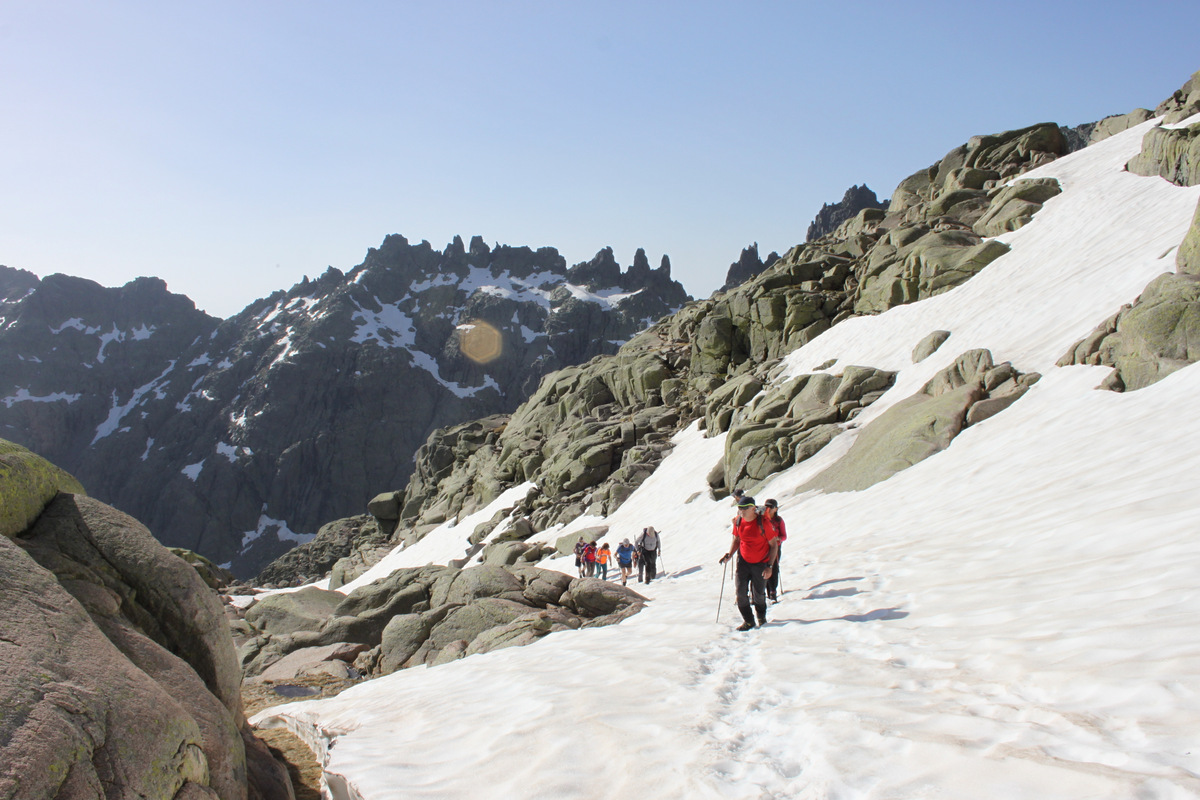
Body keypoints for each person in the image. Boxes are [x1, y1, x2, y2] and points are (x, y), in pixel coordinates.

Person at [719, 496, 779, 631]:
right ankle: (749, 621)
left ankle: (761, 618)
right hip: (743, 561)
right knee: (740, 593)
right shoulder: (739, 522)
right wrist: (729, 554)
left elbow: (774, 545)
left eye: (745, 508)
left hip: (761, 563)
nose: (742, 511)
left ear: (753, 508)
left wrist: (770, 566)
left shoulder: (764, 523)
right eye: (740, 508)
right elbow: (737, 539)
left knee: (758, 594)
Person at [762, 499, 787, 602]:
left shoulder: (779, 520)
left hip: (775, 546)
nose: (768, 509)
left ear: (776, 509)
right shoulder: (762, 519)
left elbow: (784, 536)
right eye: (766, 506)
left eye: (771, 507)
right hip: (764, 546)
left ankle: (772, 591)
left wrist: (779, 539)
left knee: (774, 567)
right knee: (764, 567)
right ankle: (766, 590)